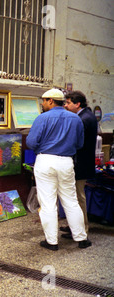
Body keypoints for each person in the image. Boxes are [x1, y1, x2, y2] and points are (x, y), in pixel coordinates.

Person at [26, 88, 91, 250]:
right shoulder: (75, 119)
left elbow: (31, 142)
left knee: (48, 203)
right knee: (71, 201)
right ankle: (82, 239)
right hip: (67, 162)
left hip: (45, 160)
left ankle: (52, 241)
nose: (42, 103)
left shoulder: (42, 118)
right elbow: (79, 144)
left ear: (50, 101)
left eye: (43, 100)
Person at [62, 91, 97, 238]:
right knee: (75, 197)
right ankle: (75, 226)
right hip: (82, 163)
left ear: (77, 104)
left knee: (78, 197)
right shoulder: (86, 116)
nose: (65, 105)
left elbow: (76, 142)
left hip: (80, 165)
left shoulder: (83, 119)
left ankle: (81, 230)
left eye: (68, 103)